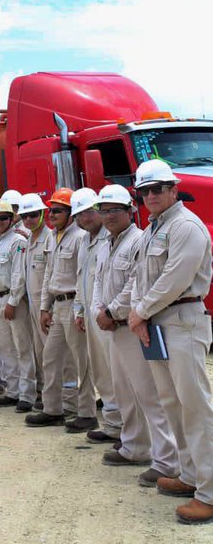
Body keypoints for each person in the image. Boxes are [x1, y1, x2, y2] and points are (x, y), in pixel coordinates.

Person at [129, 160, 213, 526]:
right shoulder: (152, 229)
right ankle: (190, 475)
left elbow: (175, 278)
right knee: (172, 403)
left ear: (174, 189)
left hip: (183, 320)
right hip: (158, 323)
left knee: (195, 406)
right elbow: (140, 276)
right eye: (145, 191)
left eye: (158, 188)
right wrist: (139, 313)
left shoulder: (186, 226)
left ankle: (210, 492)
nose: (151, 196)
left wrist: (140, 311)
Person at [91, 184, 180, 485]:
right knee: (124, 392)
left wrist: (112, 312)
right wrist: (97, 312)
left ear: (130, 211)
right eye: (104, 210)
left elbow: (134, 285)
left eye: (115, 210)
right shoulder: (106, 244)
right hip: (113, 328)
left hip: (133, 326)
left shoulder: (138, 241)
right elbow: (97, 282)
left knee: (149, 395)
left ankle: (167, 459)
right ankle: (135, 446)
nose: (109, 216)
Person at [25, 189, 96, 430]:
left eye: (57, 210)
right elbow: (48, 275)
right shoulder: (53, 238)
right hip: (57, 306)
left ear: (71, 213)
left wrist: (80, 310)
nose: (51, 215)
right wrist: (45, 307)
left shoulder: (79, 238)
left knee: (81, 361)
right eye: (50, 210)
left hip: (74, 304)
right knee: (50, 358)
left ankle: (86, 412)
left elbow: (82, 277)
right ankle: (53, 409)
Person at [72, 188, 121, 439]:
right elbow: (81, 278)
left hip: (109, 317)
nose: (85, 218)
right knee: (101, 372)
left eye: (90, 211)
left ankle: (128, 429)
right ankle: (113, 426)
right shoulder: (83, 240)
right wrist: (79, 309)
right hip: (91, 316)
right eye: (79, 214)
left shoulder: (110, 238)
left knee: (117, 372)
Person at [0, 198, 35, 411]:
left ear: (11, 219)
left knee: (22, 347)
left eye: (3, 218)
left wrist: (13, 301)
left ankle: (28, 394)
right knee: (4, 348)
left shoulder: (18, 241)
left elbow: (18, 274)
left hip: (12, 301)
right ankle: (13, 390)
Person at [19, 193, 50, 408]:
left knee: (53, 353)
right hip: (32, 303)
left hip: (45, 305)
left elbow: (51, 275)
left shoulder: (49, 238)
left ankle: (61, 398)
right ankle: (46, 393)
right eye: (25, 216)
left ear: (42, 214)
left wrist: (47, 307)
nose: (29, 219)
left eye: (33, 215)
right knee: (39, 352)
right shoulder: (29, 240)